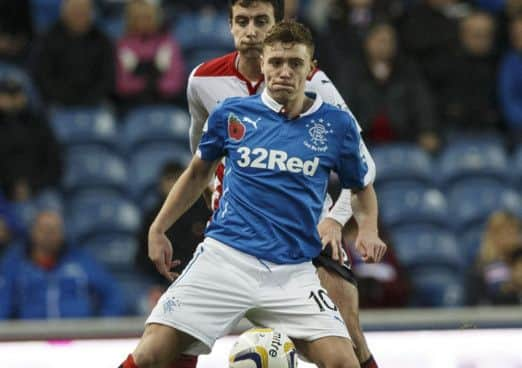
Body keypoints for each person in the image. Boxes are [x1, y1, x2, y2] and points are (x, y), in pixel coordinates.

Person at [118, 20, 386, 368]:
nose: (284, 72)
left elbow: (361, 187)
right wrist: (158, 227)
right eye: (276, 62)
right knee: (151, 352)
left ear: (310, 69)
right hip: (225, 258)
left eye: (295, 63)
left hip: (292, 271)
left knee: (343, 361)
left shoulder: (336, 125)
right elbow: (198, 173)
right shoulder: (232, 114)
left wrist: (367, 227)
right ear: (263, 64)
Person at [0, 209, 125, 319]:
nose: (48, 235)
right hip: (31, 337)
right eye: (44, 229)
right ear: (33, 232)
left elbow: (113, 295)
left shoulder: (81, 261)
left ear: (62, 233)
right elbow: (3, 305)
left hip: (79, 335)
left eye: (54, 230)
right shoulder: (15, 265)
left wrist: (102, 326)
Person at [135, 161, 211, 311]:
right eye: (169, 179)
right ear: (161, 184)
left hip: (203, 281)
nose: (173, 184)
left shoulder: (204, 211)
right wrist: (156, 284)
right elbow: (142, 259)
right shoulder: (154, 218)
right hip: (165, 284)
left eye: (177, 179)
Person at [31, 0, 114, 107]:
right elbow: (43, 75)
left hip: (95, 102)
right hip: (57, 102)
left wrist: (91, 98)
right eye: (75, 12)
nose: (79, 16)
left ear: (91, 14)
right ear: (64, 13)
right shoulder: (47, 39)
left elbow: (108, 76)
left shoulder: (103, 40)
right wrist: (62, 98)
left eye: (83, 12)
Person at [0, 76, 63, 202]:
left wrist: (32, 185)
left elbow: (55, 164)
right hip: (3, 189)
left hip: (39, 189)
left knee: (49, 213)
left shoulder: (38, 124)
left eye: (16, 94)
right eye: (6, 94)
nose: (12, 99)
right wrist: (10, 185)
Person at [115, 0, 186, 110]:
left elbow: (175, 82)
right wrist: (149, 83)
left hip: (166, 101)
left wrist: (151, 84)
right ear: (131, 20)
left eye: (147, 17)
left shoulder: (168, 43)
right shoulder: (123, 45)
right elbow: (123, 84)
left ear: (156, 18)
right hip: (133, 103)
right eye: (138, 18)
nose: (143, 22)